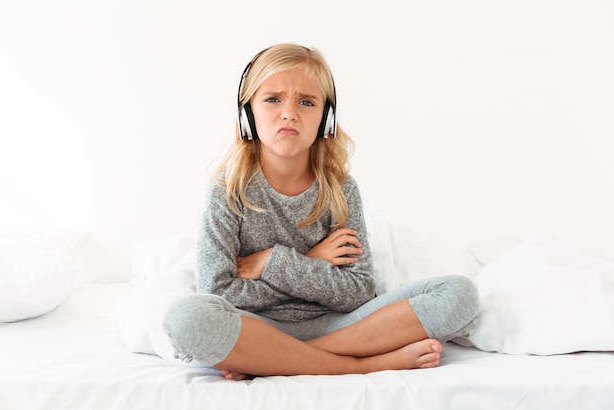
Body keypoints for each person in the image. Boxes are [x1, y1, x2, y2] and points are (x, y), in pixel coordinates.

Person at [163, 43, 479, 380]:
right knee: (187, 317)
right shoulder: (227, 190)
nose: (289, 113)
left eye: (306, 102)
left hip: (341, 325)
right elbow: (220, 292)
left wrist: (271, 262)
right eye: (272, 99)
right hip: (256, 327)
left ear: (325, 117)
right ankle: (364, 363)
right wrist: (311, 260)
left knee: (459, 295)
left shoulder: (340, 188)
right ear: (247, 111)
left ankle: (276, 360)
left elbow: (355, 292)